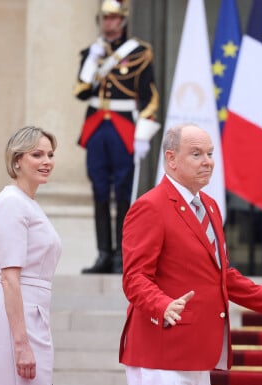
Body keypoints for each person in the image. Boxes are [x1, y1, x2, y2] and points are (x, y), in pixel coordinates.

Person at [119, 124, 262, 385]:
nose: (208, 162)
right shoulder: (150, 207)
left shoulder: (210, 206)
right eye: (197, 154)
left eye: (210, 153)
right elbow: (135, 278)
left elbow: (223, 276)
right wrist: (162, 305)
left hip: (197, 353)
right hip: (161, 351)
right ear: (171, 159)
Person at [75, 0, 160, 274]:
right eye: (104, 18)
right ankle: (102, 253)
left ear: (122, 21)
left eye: (113, 18)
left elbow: (149, 97)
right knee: (99, 190)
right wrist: (91, 60)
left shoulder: (139, 53)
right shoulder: (93, 53)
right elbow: (81, 92)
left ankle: (122, 255)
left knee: (124, 192)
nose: (108, 23)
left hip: (124, 128)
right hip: (97, 127)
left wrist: (144, 132)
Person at [0, 126, 62, 385]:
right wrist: (20, 342)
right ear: (17, 160)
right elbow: (9, 278)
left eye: (50, 155)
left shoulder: (27, 203)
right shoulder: (11, 203)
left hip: (32, 312)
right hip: (16, 314)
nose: (46, 162)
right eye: (37, 155)